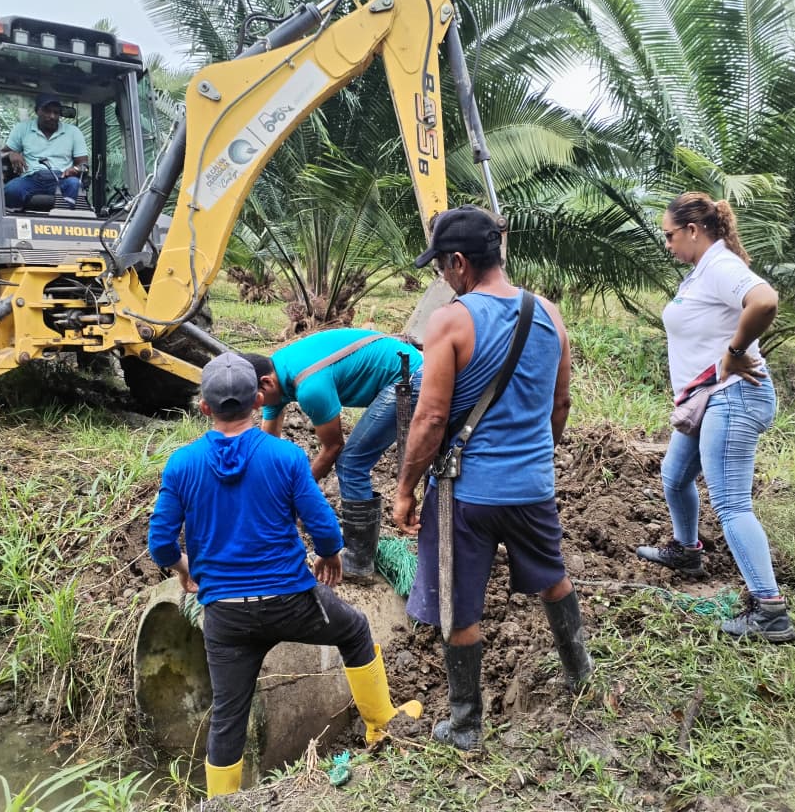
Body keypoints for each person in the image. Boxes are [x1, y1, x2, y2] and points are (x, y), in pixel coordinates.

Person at [146, 352, 421, 798]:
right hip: (292, 602)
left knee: (229, 715)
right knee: (353, 630)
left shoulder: (182, 464)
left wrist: (183, 569)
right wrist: (330, 556)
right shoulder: (286, 456)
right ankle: (380, 725)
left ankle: (221, 804)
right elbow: (324, 527)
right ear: (258, 400)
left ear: (204, 407)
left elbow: (160, 543)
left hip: (226, 616)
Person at [391, 204, 593, 752]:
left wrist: (405, 489)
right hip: (533, 488)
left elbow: (431, 417)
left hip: (467, 493)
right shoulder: (549, 314)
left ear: (459, 262)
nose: (443, 277)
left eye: (441, 267)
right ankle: (579, 672)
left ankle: (466, 724)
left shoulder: (451, 320)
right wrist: (533, 458)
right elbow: (561, 404)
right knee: (552, 576)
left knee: (459, 603)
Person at [635, 191, 795, 643]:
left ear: (692, 230)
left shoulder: (721, 266)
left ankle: (770, 611)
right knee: (674, 476)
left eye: (669, 235)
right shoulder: (701, 272)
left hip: (733, 398)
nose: (666, 244)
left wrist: (735, 351)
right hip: (707, 399)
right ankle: (687, 551)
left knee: (731, 504)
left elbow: (764, 301)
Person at [241, 330, 423, 578]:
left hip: (407, 376)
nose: (257, 407)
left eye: (257, 401)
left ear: (265, 383)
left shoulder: (309, 387)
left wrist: (296, 496)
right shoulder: (276, 370)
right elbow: (268, 447)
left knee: (351, 463)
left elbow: (334, 446)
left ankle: (358, 560)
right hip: (398, 365)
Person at [2, 92, 88, 210]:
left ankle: (65, 218)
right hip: (31, 178)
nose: (52, 116)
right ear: (37, 111)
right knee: (11, 190)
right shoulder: (22, 128)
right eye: (47, 111)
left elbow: (84, 165)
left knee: (74, 184)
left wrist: (75, 169)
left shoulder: (73, 132)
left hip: (61, 179)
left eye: (56, 112)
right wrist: (11, 153)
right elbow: (1, 154)